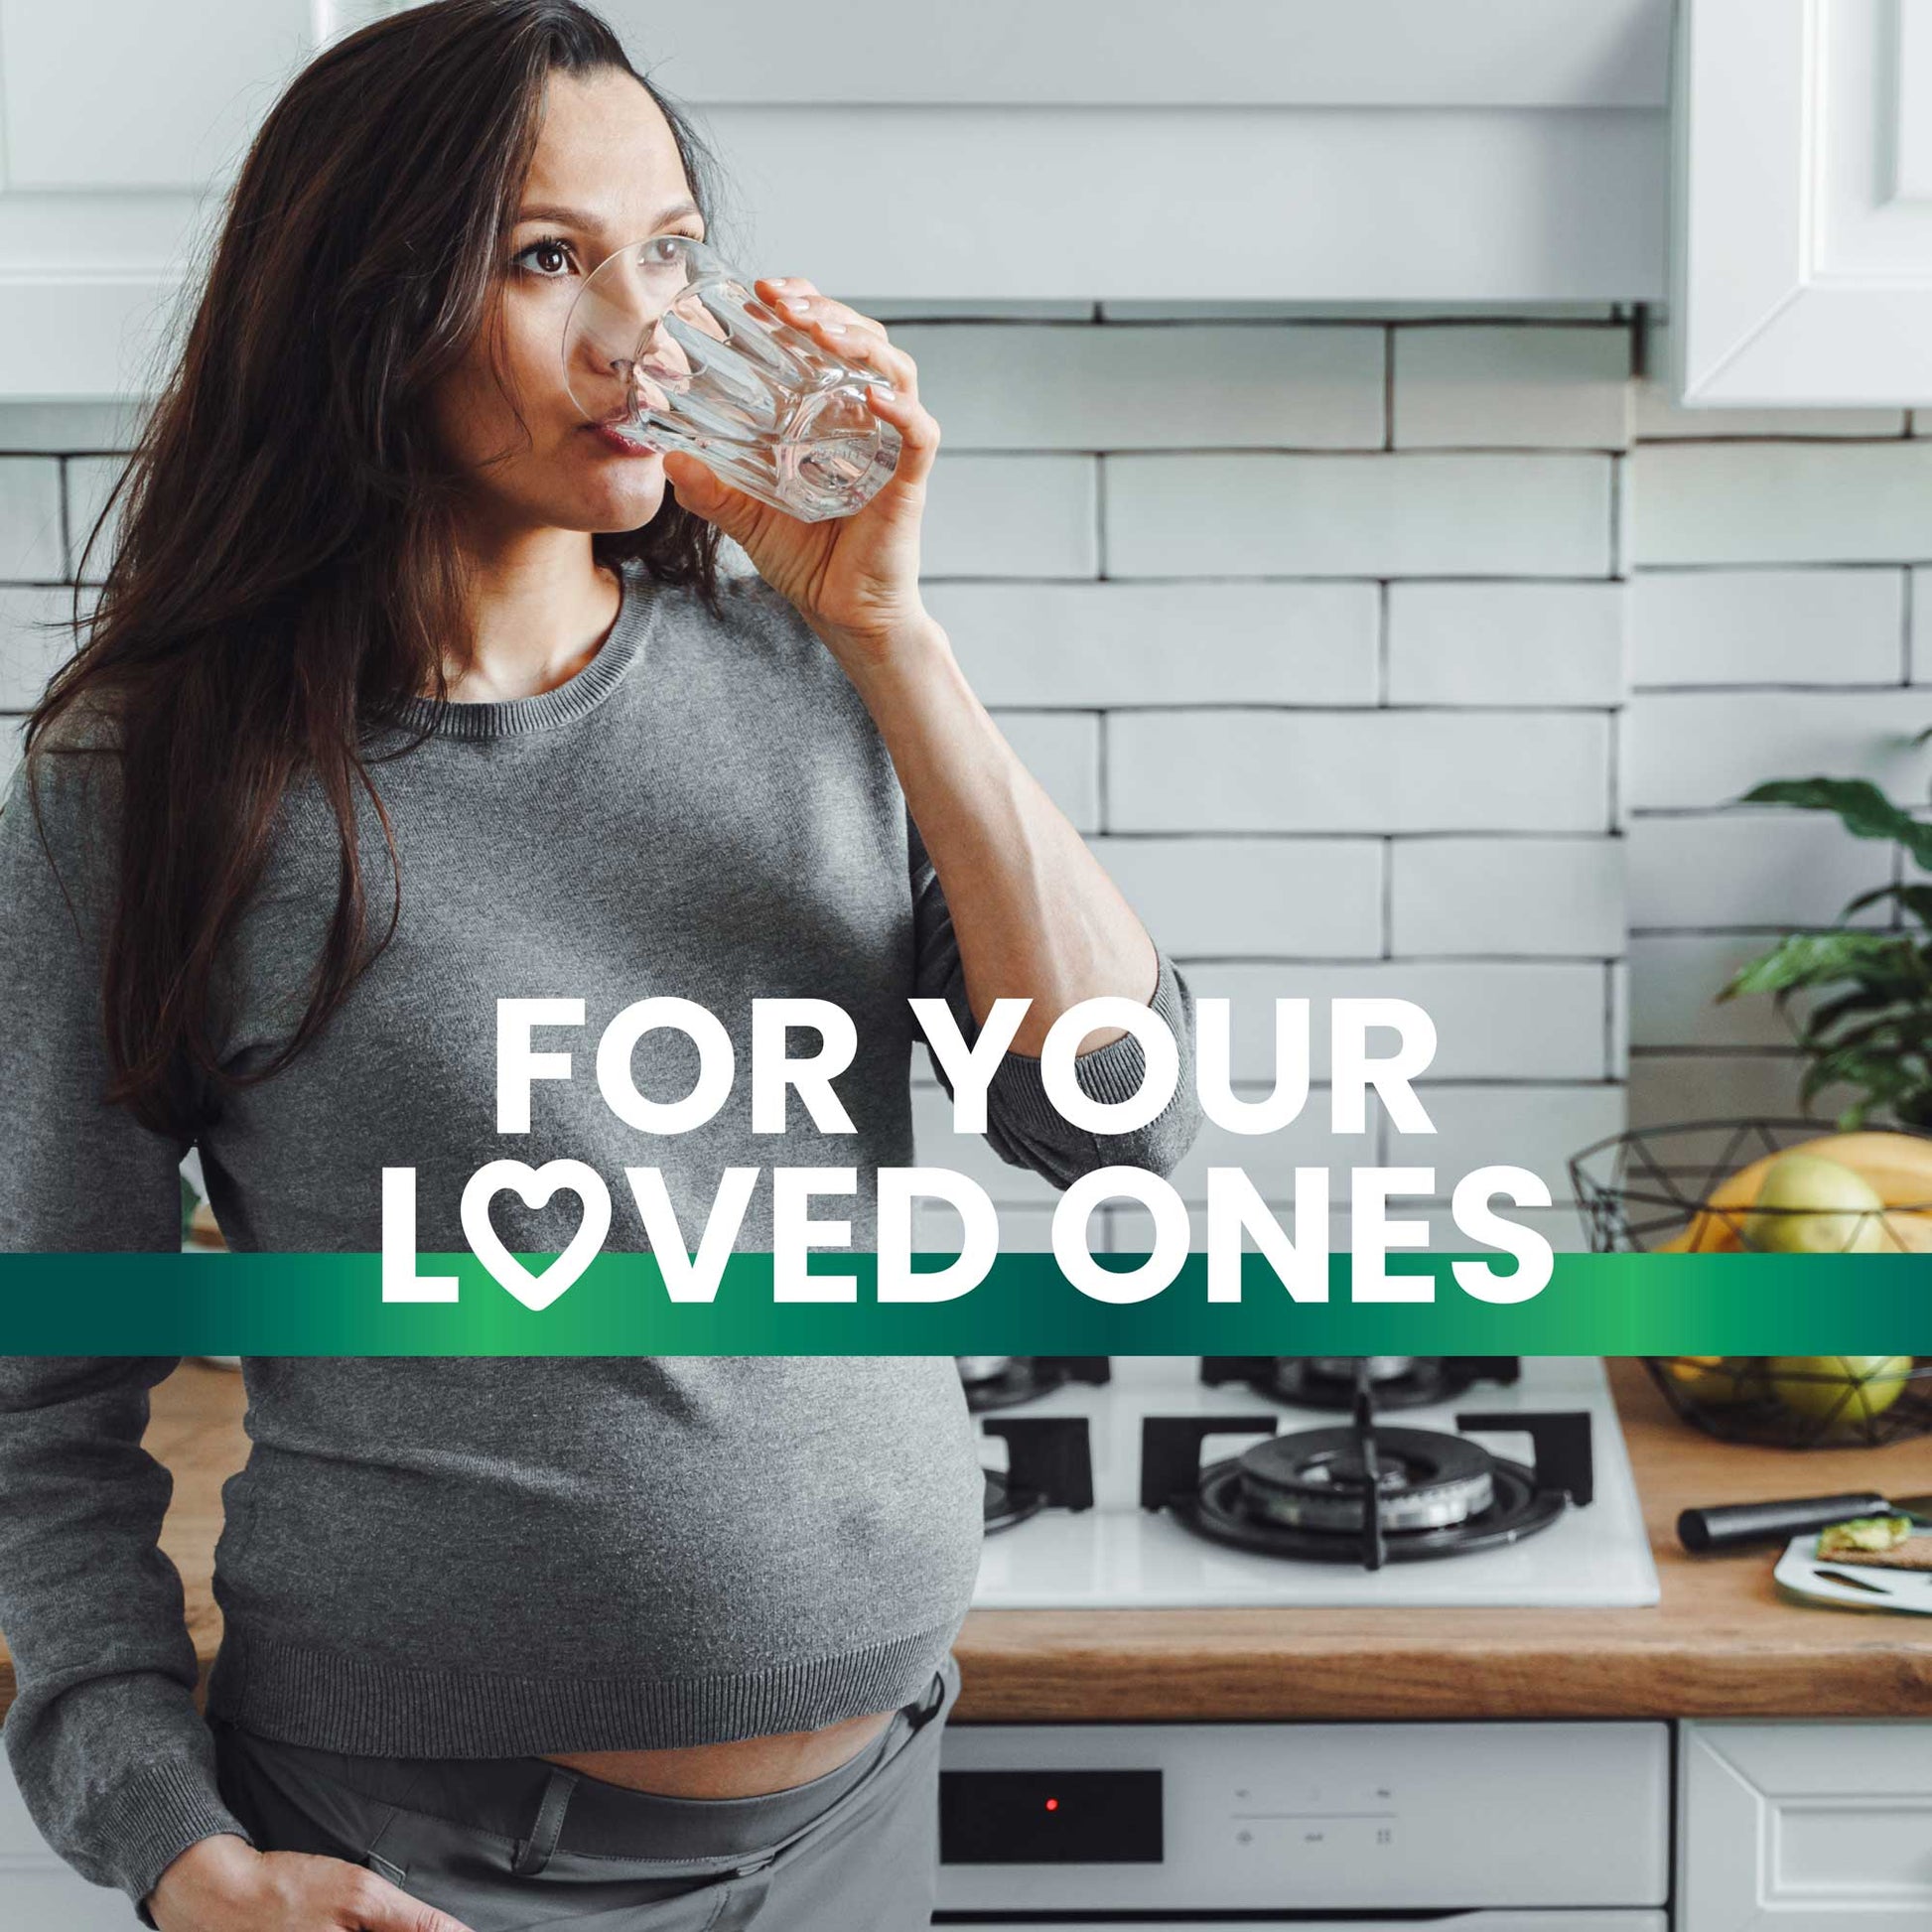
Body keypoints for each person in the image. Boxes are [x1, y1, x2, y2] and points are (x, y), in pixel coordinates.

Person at [0, 3, 1202, 1928]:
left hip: (872, 1810)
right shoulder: (147, 783)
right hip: (425, 1859)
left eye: (668, 253)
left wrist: (895, 639)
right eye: (548, 259)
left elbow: (1115, 1133)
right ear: (360, 305)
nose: (643, 337)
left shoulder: (811, 676)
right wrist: (171, 1844)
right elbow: (37, 1392)